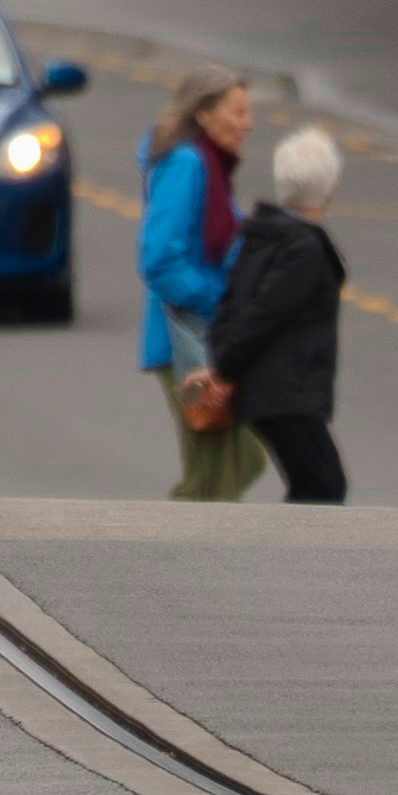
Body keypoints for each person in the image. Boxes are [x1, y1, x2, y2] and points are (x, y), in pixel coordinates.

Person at [205, 118, 352, 502]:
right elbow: (264, 313)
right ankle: (299, 560)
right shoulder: (303, 249)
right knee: (322, 486)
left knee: (315, 484)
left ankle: (299, 556)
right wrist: (225, 366)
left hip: (272, 390)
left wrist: (223, 360)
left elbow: (234, 301)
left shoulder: (262, 234)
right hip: (286, 390)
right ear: (330, 187)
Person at [138, 77, 261, 501]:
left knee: (234, 466)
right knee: (216, 478)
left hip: (210, 340)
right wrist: (218, 303)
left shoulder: (209, 165)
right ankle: (169, 558)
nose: (249, 123)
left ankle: (179, 553)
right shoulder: (187, 164)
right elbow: (160, 259)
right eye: (238, 112)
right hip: (187, 343)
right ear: (204, 115)